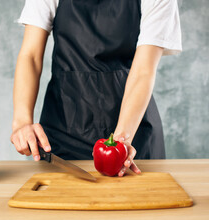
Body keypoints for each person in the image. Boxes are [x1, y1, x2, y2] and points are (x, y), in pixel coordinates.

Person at [11, 0, 182, 177]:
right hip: (63, 129)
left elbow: (143, 72)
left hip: (134, 133)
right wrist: (22, 122)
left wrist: (120, 142)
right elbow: (30, 56)